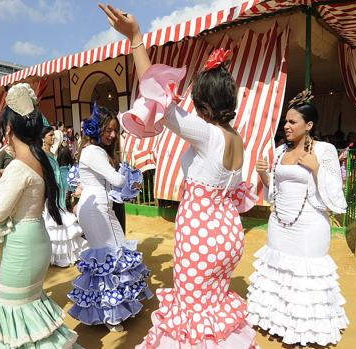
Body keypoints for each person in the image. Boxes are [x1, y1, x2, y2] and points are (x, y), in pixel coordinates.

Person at [100, 4, 259, 347]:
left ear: (202, 105)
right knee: (213, 309)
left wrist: (136, 39)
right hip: (229, 234)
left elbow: (157, 94)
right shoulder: (237, 140)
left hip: (200, 235)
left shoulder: (207, 135)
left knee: (192, 315)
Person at [0, 83, 80, 348]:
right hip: (37, 237)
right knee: (30, 310)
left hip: (22, 244)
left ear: (8, 130)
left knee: (14, 311)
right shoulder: (42, 159)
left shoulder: (18, 167)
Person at [249, 89, 349, 347]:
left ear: (310, 125)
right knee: (279, 272)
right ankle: (277, 322)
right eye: (286, 121)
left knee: (305, 279)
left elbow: (336, 193)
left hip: (309, 226)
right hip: (280, 224)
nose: (287, 126)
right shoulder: (281, 150)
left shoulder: (324, 150)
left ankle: (304, 330)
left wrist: (316, 168)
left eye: (293, 121)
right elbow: (276, 193)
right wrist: (263, 176)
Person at [67, 101, 153, 333]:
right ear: (97, 129)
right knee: (105, 259)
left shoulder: (96, 152)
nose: (113, 135)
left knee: (118, 251)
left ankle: (116, 307)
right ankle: (108, 314)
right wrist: (132, 174)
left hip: (102, 207)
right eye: (108, 130)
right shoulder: (93, 152)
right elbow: (117, 181)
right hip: (94, 210)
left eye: (115, 130)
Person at [41, 126, 87, 267]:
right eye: (50, 135)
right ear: (43, 138)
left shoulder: (51, 153)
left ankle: (66, 255)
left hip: (59, 190)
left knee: (60, 218)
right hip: (50, 192)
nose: (53, 137)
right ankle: (53, 256)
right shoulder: (41, 154)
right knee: (51, 222)